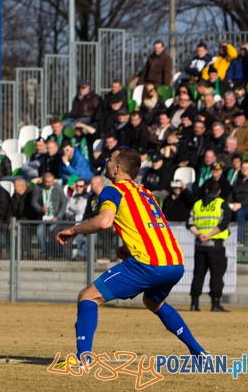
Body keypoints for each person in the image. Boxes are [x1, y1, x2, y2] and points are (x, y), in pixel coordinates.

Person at [54, 148, 207, 369]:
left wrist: (74, 230)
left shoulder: (113, 191)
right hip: (174, 262)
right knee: (153, 301)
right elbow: (150, 228)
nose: (105, 161)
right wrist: (128, 247)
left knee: (87, 297)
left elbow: (104, 222)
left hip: (148, 264)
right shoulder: (146, 193)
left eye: (109, 159)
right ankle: (198, 351)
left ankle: (83, 358)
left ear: (117, 169)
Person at [188, 179, 231, 312]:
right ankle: (215, 303)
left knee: (198, 274)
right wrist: (210, 235)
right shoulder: (222, 204)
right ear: (219, 191)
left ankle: (194, 303)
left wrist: (200, 235)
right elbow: (223, 223)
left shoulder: (197, 204)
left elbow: (189, 223)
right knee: (217, 274)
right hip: (216, 245)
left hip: (200, 244)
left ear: (206, 190)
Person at [31, 172, 67, 259]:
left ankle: (52, 252)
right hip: (43, 217)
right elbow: (34, 202)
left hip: (55, 217)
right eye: (48, 182)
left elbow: (63, 202)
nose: (50, 184)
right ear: (43, 181)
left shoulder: (57, 188)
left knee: (52, 231)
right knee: (39, 232)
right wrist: (40, 209)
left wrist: (58, 217)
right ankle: (44, 252)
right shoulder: (38, 188)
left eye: (51, 181)